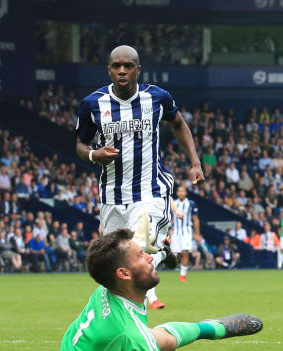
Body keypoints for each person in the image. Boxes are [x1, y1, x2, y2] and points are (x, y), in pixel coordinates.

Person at [55, 229, 282, 351]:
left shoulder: (111, 287)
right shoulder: (129, 332)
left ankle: (213, 328)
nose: (150, 258)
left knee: (163, 339)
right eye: (140, 256)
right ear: (123, 273)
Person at [74, 45, 205, 309]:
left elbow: (178, 123)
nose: (122, 70)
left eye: (128, 65)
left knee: (137, 251)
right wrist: (94, 155)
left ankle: (154, 256)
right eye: (116, 66)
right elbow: (80, 145)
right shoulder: (92, 104)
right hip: (112, 196)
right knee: (114, 271)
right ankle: (161, 253)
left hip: (150, 190)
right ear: (109, 70)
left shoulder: (157, 98)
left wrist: (194, 161)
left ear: (138, 70)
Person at [170, 187, 199, 282]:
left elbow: (195, 219)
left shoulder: (191, 203)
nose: (181, 193)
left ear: (186, 193)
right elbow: (169, 218)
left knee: (185, 252)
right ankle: (181, 267)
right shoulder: (173, 204)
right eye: (179, 191)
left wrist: (197, 233)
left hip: (186, 231)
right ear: (177, 193)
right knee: (175, 254)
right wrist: (168, 230)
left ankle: (183, 275)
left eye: (183, 191)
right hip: (175, 232)